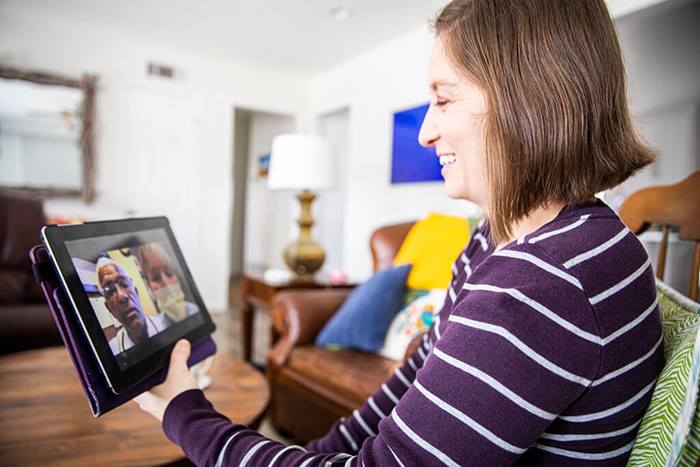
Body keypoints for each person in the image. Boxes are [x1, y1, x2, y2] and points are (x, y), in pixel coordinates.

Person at [135, 0, 664, 464]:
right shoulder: (504, 238)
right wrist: (313, 454)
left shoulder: (541, 285)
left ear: (528, 95)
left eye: (445, 98)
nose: (427, 131)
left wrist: (189, 417)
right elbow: (407, 387)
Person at [96, 257, 163, 354]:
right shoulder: (112, 351)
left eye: (124, 283)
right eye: (109, 290)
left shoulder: (165, 324)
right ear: (109, 309)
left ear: (136, 293)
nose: (121, 296)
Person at [136, 243, 199, 325]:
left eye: (169, 273)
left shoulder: (197, 312)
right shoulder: (158, 327)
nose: (166, 283)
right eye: (156, 277)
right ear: (150, 288)